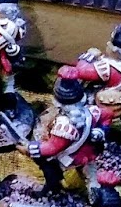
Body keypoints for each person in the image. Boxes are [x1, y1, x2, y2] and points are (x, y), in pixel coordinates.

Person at [27, 67, 107, 195]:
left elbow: (52, 148)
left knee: (48, 166)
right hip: (88, 150)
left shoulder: (64, 127)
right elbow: (107, 115)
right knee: (90, 168)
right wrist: (101, 130)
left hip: (70, 157)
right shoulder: (92, 111)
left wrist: (31, 147)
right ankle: (92, 183)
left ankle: (53, 188)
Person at [75, 15, 121, 140]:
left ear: (114, 49)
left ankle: (93, 128)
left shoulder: (106, 68)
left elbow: (81, 71)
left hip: (103, 102)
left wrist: (88, 57)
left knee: (86, 97)